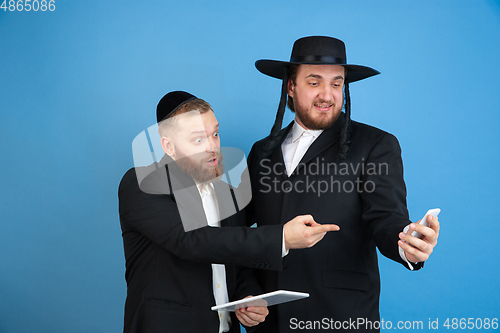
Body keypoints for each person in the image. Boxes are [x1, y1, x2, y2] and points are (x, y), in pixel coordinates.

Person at [235, 36, 441, 332]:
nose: (327, 95)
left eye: (336, 83)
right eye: (314, 82)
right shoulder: (261, 151)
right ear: (291, 86)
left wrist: (407, 241)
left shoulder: (375, 145)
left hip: (339, 317)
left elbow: (385, 218)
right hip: (270, 321)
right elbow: (240, 233)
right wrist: (246, 291)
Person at [118, 91, 339, 333]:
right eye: (198, 140)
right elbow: (191, 241)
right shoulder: (142, 183)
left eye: (215, 134)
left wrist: (248, 297)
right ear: (168, 146)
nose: (213, 147)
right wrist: (281, 238)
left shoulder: (227, 193)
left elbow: (236, 259)